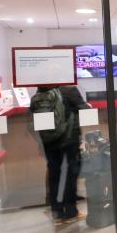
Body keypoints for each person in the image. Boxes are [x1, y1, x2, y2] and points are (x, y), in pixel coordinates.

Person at [31, 84, 88, 225]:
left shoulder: (40, 91)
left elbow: (34, 116)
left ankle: (57, 213)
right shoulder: (69, 90)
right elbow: (84, 109)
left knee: (54, 173)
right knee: (70, 173)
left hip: (49, 141)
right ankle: (71, 212)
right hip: (69, 138)